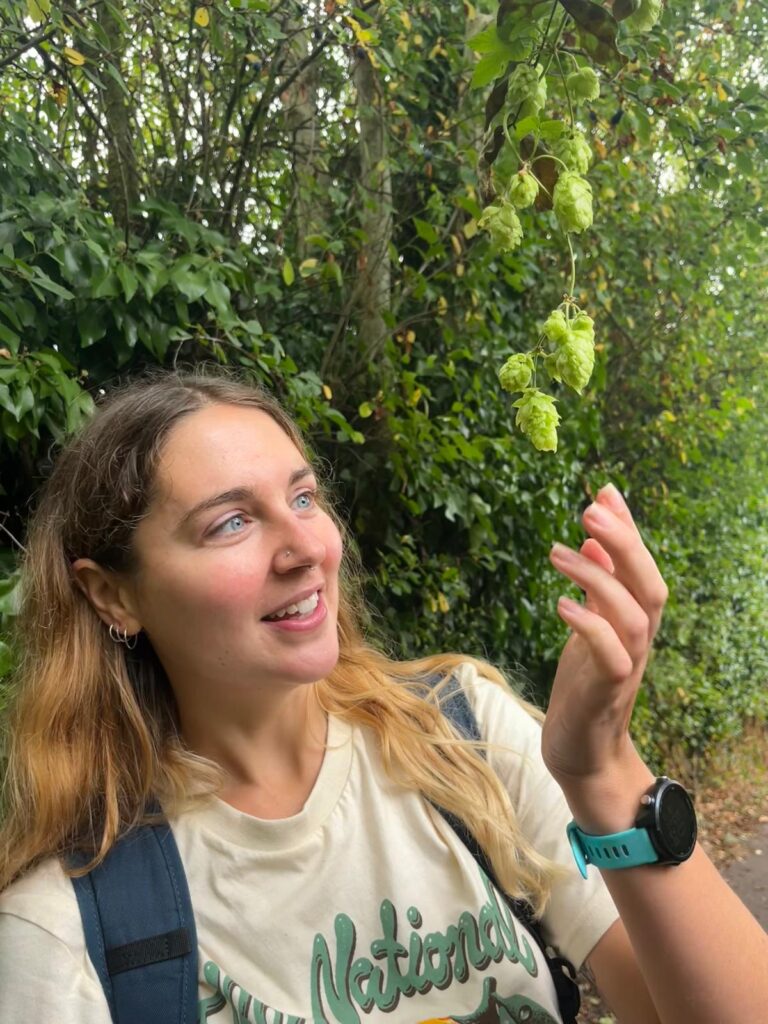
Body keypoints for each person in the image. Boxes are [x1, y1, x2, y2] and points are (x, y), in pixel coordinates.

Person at [0, 368, 765, 1024]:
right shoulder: (68, 925)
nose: (305, 549)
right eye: (231, 522)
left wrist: (601, 768)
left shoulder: (463, 738)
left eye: (303, 498)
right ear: (111, 595)